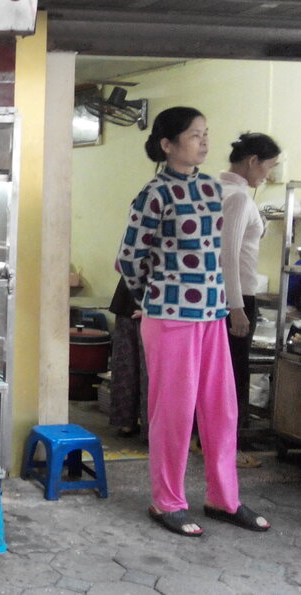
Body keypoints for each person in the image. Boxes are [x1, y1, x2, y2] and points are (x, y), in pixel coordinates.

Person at [116, 106, 270, 537]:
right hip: (170, 318)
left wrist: (223, 303)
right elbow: (129, 258)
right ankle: (167, 501)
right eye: (194, 135)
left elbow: (217, 254)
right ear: (167, 144)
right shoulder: (154, 193)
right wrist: (153, 298)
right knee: (175, 413)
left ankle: (224, 498)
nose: (203, 141)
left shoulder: (211, 189)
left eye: (206, 133)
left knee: (222, 411)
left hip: (212, 315)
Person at [219, 133, 281, 468]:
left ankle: (211, 439)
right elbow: (228, 254)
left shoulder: (215, 189)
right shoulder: (239, 197)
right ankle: (231, 446)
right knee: (235, 373)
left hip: (219, 294)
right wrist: (237, 308)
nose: (268, 175)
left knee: (220, 372)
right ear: (253, 161)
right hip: (237, 295)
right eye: (269, 166)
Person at [107, 277, 146, 439]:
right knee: (149, 371)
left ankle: (126, 424)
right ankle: (149, 428)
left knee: (125, 366)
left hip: (128, 298)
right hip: (153, 303)